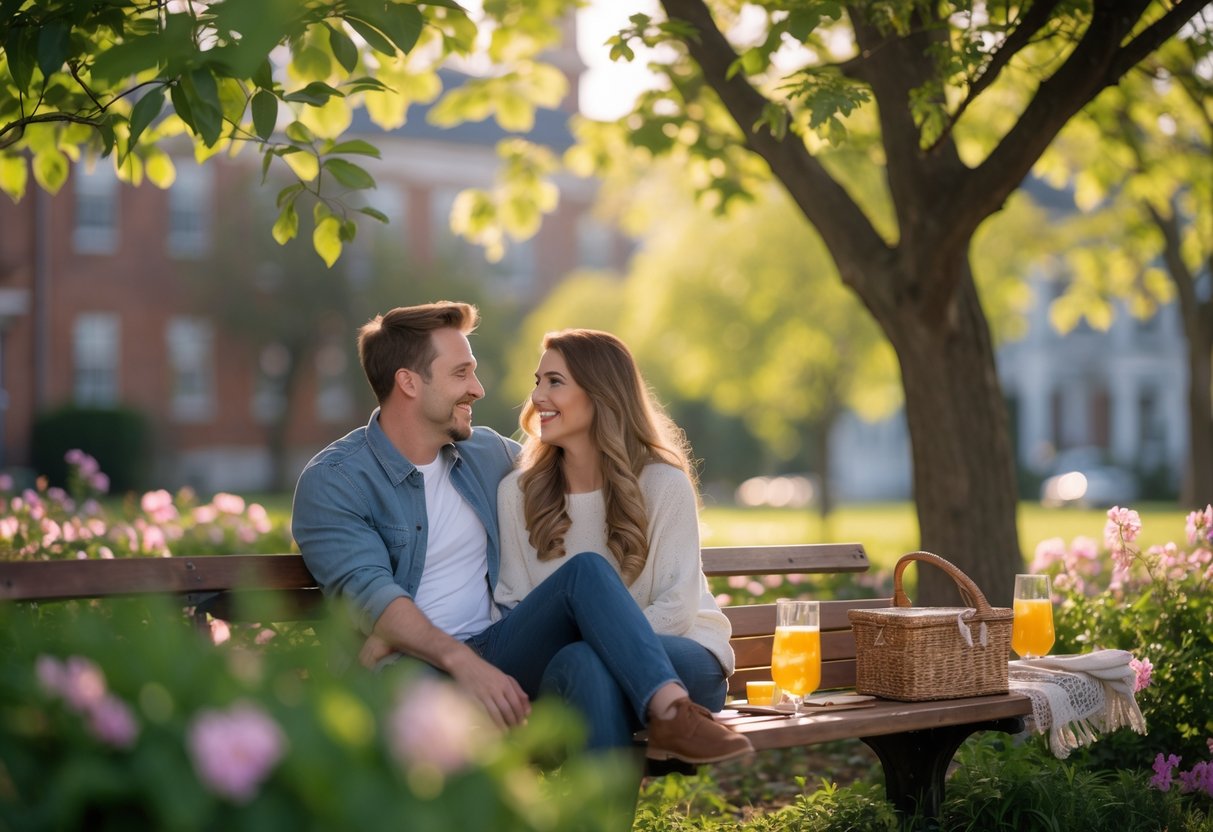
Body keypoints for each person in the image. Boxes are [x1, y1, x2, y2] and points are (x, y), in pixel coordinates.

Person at [292, 301, 752, 765]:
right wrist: (435, 651)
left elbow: (577, 456)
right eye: (461, 374)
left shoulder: (485, 454)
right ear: (409, 382)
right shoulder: (337, 481)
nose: (478, 388)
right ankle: (669, 715)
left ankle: (663, 723)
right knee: (581, 630)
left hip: (504, 649)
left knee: (584, 634)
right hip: (413, 670)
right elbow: (373, 596)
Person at [496, 329, 735, 753]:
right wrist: (601, 644)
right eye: (537, 382)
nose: (537, 398)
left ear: (600, 393)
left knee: (586, 661)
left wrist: (604, 642)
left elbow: (678, 609)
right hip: (571, 667)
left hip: (684, 656)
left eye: (555, 382)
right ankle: (665, 726)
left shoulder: (662, 483)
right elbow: (514, 602)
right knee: (583, 663)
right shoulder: (518, 493)